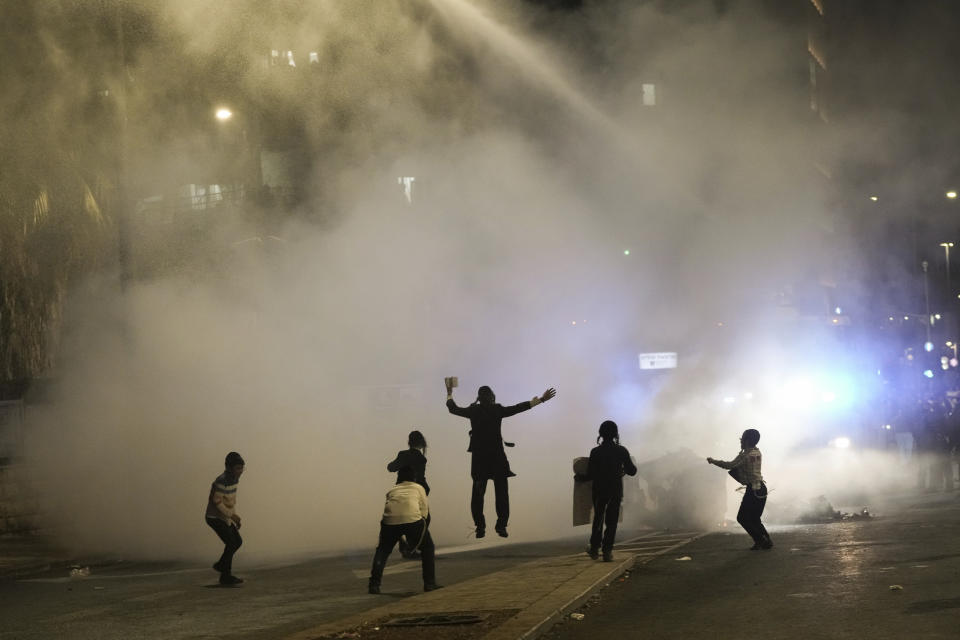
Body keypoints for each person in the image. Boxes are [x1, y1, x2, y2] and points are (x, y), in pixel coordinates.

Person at [446, 379, 556, 538]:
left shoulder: (473, 411)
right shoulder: (496, 410)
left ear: (479, 397)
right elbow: (517, 408)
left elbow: (453, 409)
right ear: (492, 397)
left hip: (479, 460)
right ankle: (501, 525)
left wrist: (449, 392)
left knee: (477, 496)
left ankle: (480, 527)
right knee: (502, 494)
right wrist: (541, 400)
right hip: (497, 458)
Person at [368, 466, 441, 594]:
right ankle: (429, 583)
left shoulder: (392, 490)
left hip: (389, 522)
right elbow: (424, 512)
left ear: (398, 478)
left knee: (383, 551)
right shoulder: (419, 488)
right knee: (428, 548)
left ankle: (374, 585)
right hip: (412, 520)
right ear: (414, 478)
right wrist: (420, 534)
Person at [576, 420, 638, 562]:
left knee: (598, 518)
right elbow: (632, 471)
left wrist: (579, 477)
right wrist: (624, 468)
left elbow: (590, 474)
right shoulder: (622, 451)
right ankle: (607, 551)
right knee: (612, 521)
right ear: (616, 434)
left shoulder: (596, 452)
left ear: (600, 434)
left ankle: (594, 548)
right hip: (615, 490)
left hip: (599, 490)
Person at [707, 429, 772, 550]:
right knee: (754, 518)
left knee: (742, 518)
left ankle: (760, 540)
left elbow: (729, 465)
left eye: (742, 438)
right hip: (760, 488)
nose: (741, 440)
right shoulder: (757, 452)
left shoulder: (745, 455)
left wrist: (713, 461)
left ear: (747, 440)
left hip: (753, 489)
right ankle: (766, 540)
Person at [387, 430, 430, 558]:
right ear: (422, 444)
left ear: (409, 442)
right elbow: (421, 479)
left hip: (399, 492)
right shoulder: (421, 458)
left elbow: (391, 467)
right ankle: (411, 546)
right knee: (423, 519)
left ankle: (404, 543)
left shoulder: (403, 454)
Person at [205, 451, 245, 585]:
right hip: (214, 517)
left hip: (225, 517)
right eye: (238, 468)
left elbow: (230, 501)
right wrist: (232, 515)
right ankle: (225, 574)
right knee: (231, 543)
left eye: (242, 468)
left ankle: (223, 569)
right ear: (229, 468)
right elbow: (217, 502)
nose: (240, 471)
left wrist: (233, 517)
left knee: (237, 542)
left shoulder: (234, 479)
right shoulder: (222, 481)